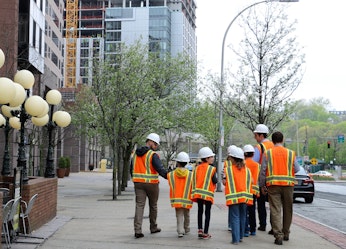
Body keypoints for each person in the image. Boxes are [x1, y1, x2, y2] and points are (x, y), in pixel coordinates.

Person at [259, 131, 300, 245]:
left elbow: (263, 171)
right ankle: (286, 232)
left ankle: (278, 235)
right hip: (288, 185)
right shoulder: (291, 153)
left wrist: (262, 185)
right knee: (288, 209)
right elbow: (297, 169)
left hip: (273, 185)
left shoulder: (268, 153)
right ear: (282, 140)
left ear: (273, 141)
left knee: (275, 209)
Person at [130, 133, 168, 239]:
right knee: (153, 206)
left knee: (139, 206)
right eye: (155, 144)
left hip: (138, 183)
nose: (156, 147)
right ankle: (153, 227)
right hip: (152, 184)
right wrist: (170, 177)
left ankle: (137, 230)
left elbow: (131, 169)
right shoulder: (152, 155)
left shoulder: (135, 154)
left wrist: (135, 179)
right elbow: (160, 169)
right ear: (150, 142)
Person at [222, 146, 253, 245]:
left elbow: (224, 182)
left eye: (230, 157)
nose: (229, 159)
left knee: (235, 217)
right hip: (245, 197)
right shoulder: (247, 170)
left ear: (233, 158)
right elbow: (251, 181)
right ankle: (240, 237)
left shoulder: (228, 170)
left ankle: (235, 239)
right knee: (243, 216)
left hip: (233, 197)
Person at [191, 147, 217, 240]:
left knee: (200, 211)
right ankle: (206, 232)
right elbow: (215, 180)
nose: (213, 158)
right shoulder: (212, 169)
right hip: (208, 194)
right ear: (206, 158)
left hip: (198, 194)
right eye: (211, 157)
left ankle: (200, 230)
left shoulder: (196, 168)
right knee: (207, 213)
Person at [253, 124, 274, 232]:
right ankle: (274, 227)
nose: (255, 137)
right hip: (274, 179)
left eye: (255, 135)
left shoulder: (259, 147)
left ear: (260, 135)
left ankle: (263, 224)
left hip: (263, 179)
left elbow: (254, 163)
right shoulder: (273, 145)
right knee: (274, 205)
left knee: (261, 203)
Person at [167, 152, 193, 238]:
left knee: (179, 215)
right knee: (187, 214)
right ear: (187, 163)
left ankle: (180, 231)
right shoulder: (191, 175)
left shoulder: (171, 174)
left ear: (177, 162)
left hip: (176, 199)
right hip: (187, 199)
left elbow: (170, 184)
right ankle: (187, 228)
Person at [243, 144, 260, 237]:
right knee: (252, 210)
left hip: (245, 190)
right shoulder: (257, 165)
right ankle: (253, 229)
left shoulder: (243, 164)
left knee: (245, 211)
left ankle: (246, 230)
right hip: (254, 191)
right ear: (253, 154)